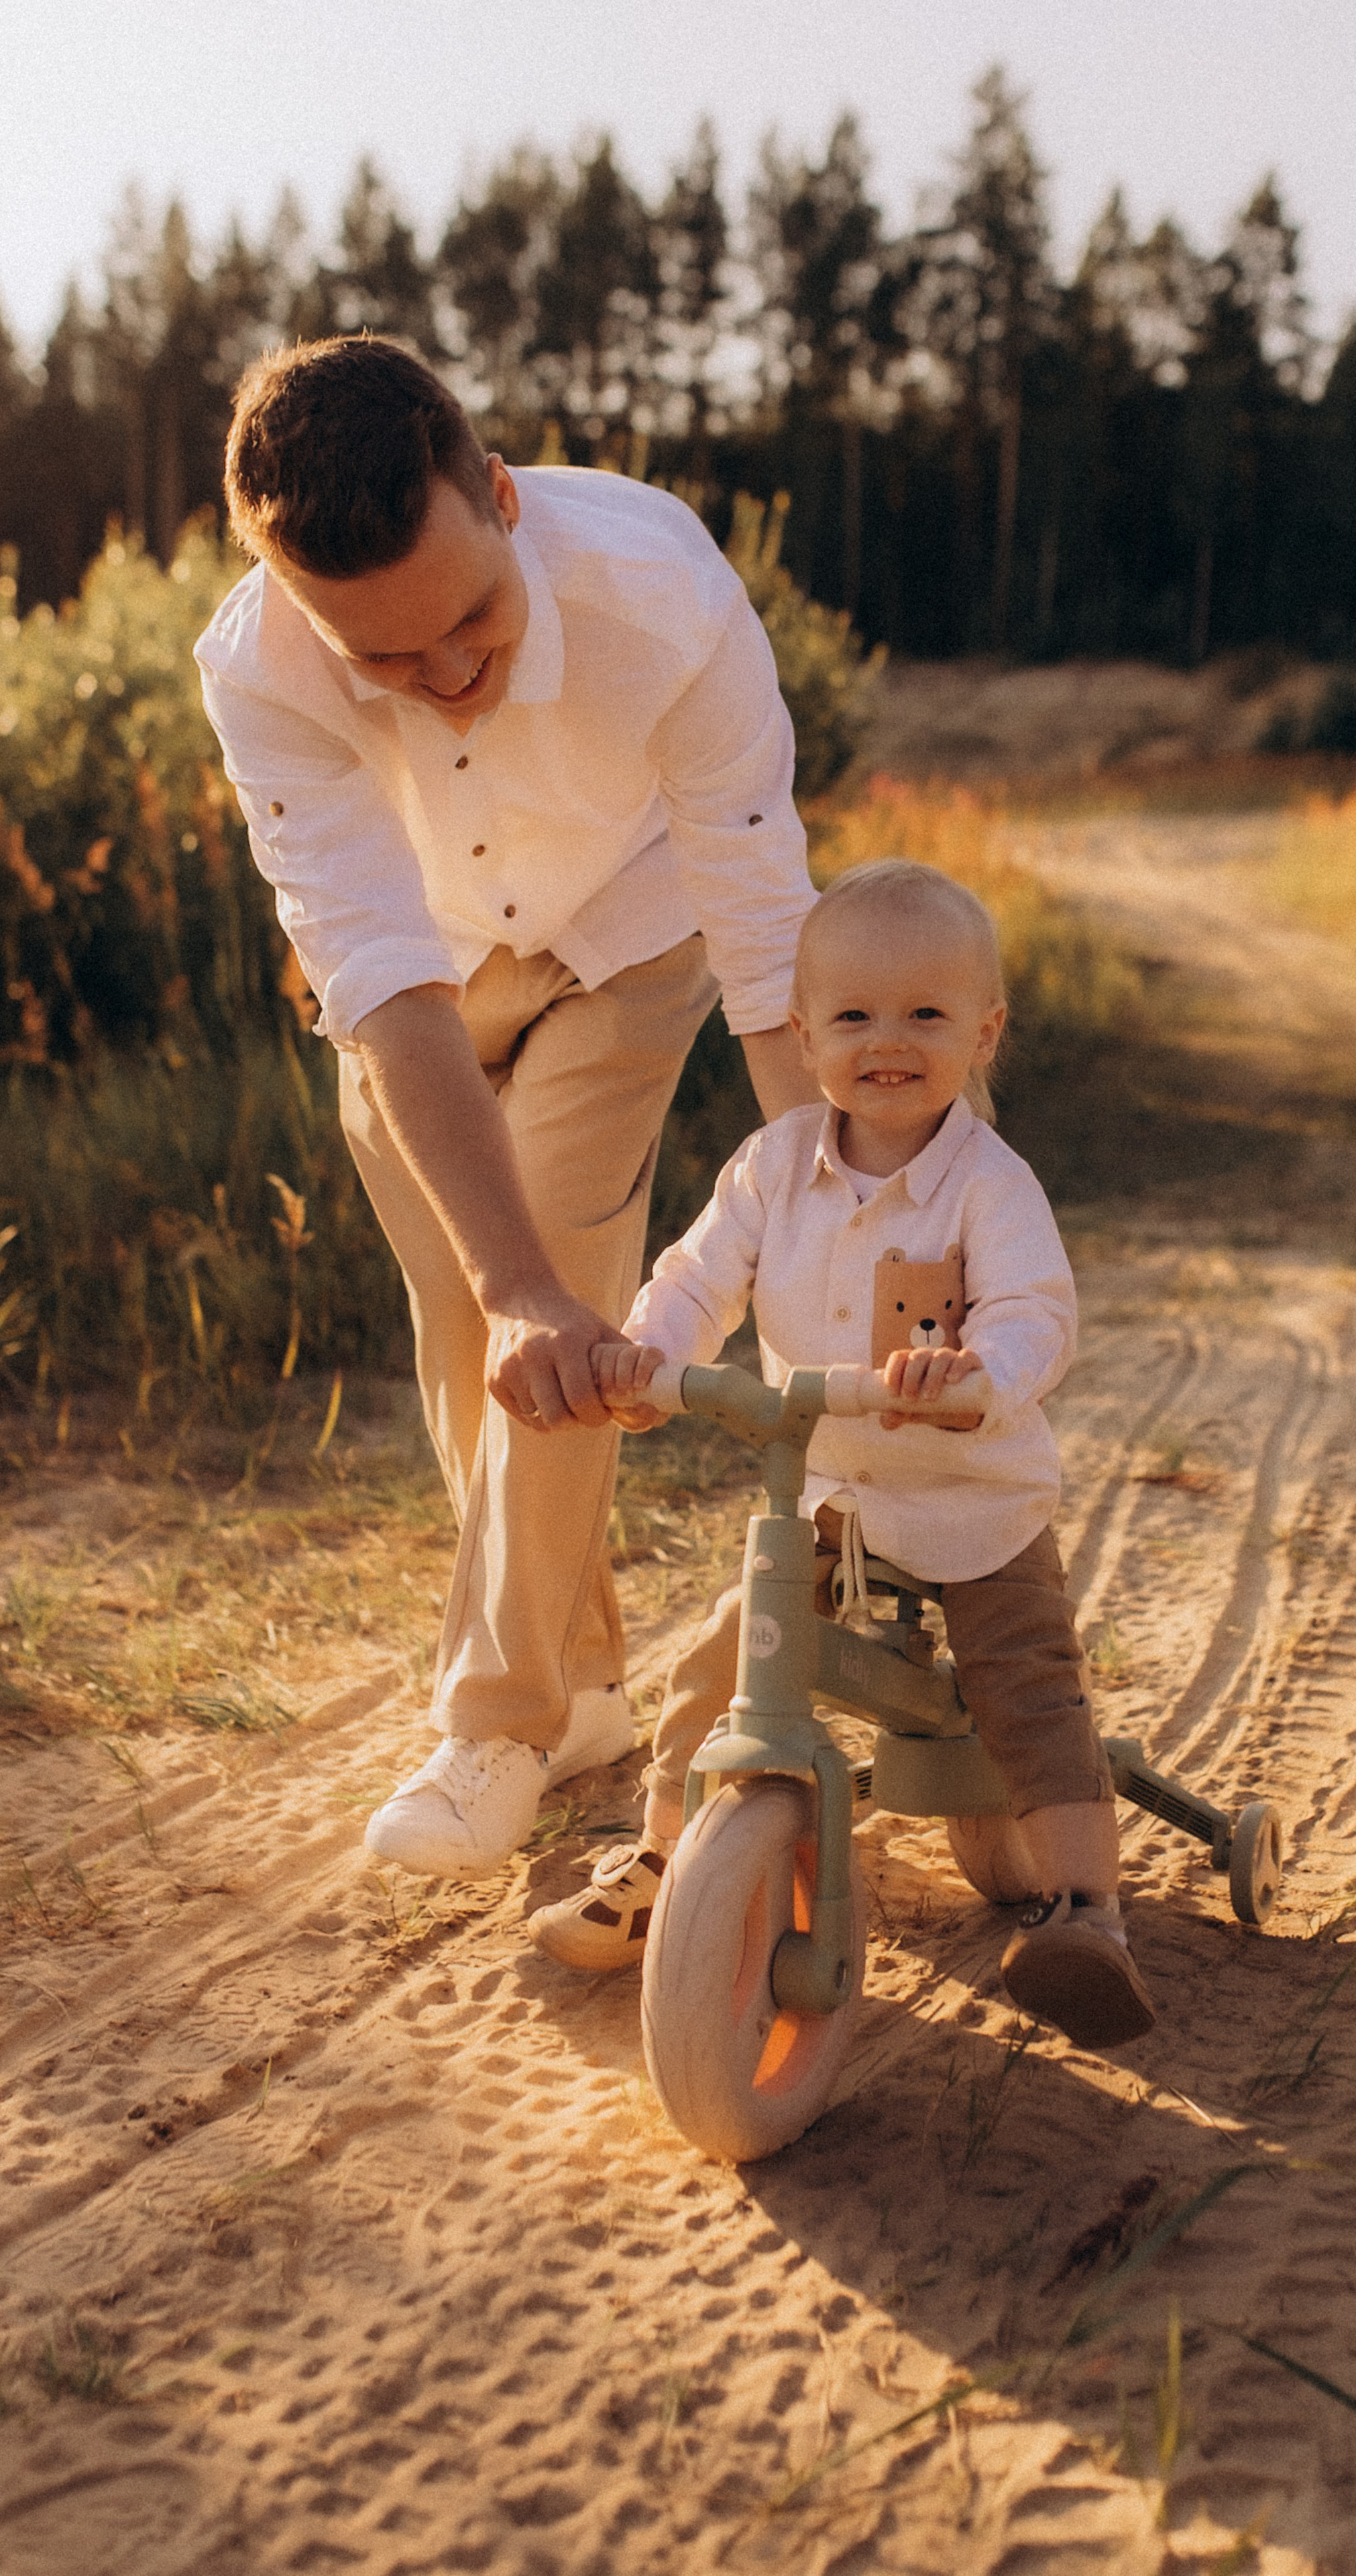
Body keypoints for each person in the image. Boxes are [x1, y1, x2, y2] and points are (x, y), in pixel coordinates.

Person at [194, 335, 822, 1879]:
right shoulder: (254, 668)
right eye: (388, 662)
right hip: (423, 977)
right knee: (477, 1323)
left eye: (469, 618)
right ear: (292, 601)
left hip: (630, 935)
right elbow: (381, 977)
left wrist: (840, 1227)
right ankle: (589, 1686)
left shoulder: (663, 594)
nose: (448, 675)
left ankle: (495, 1723)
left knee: (558, 1258)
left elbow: (761, 938)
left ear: (500, 492)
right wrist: (513, 1288)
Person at [530, 861, 1155, 2051]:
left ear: (984, 1033)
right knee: (723, 1664)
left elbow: (1036, 1311)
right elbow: (701, 1274)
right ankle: (665, 1857)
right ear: (803, 1032)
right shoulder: (772, 1169)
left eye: (926, 1015)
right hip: (827, 1498)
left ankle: (1087, 1910)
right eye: (856, 1016)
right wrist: (649, 1356)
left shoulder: (987, 1184)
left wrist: (979, 1372)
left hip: (975, 1505)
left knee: (1029, 1691)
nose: (889, 1042)